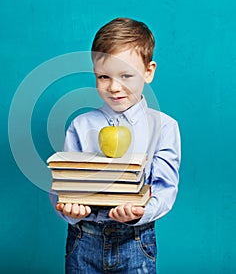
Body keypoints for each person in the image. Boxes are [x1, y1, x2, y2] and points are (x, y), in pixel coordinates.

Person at [50, 17, 181, 273]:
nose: (114, 87)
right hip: (83, 239)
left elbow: (165, 188)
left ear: (148, 71)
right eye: (103, 76)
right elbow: (63, 183)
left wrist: (140, 212)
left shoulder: (164, 127)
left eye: (126, 75)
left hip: (135, 241)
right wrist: (69, 209)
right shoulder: (80, 125)